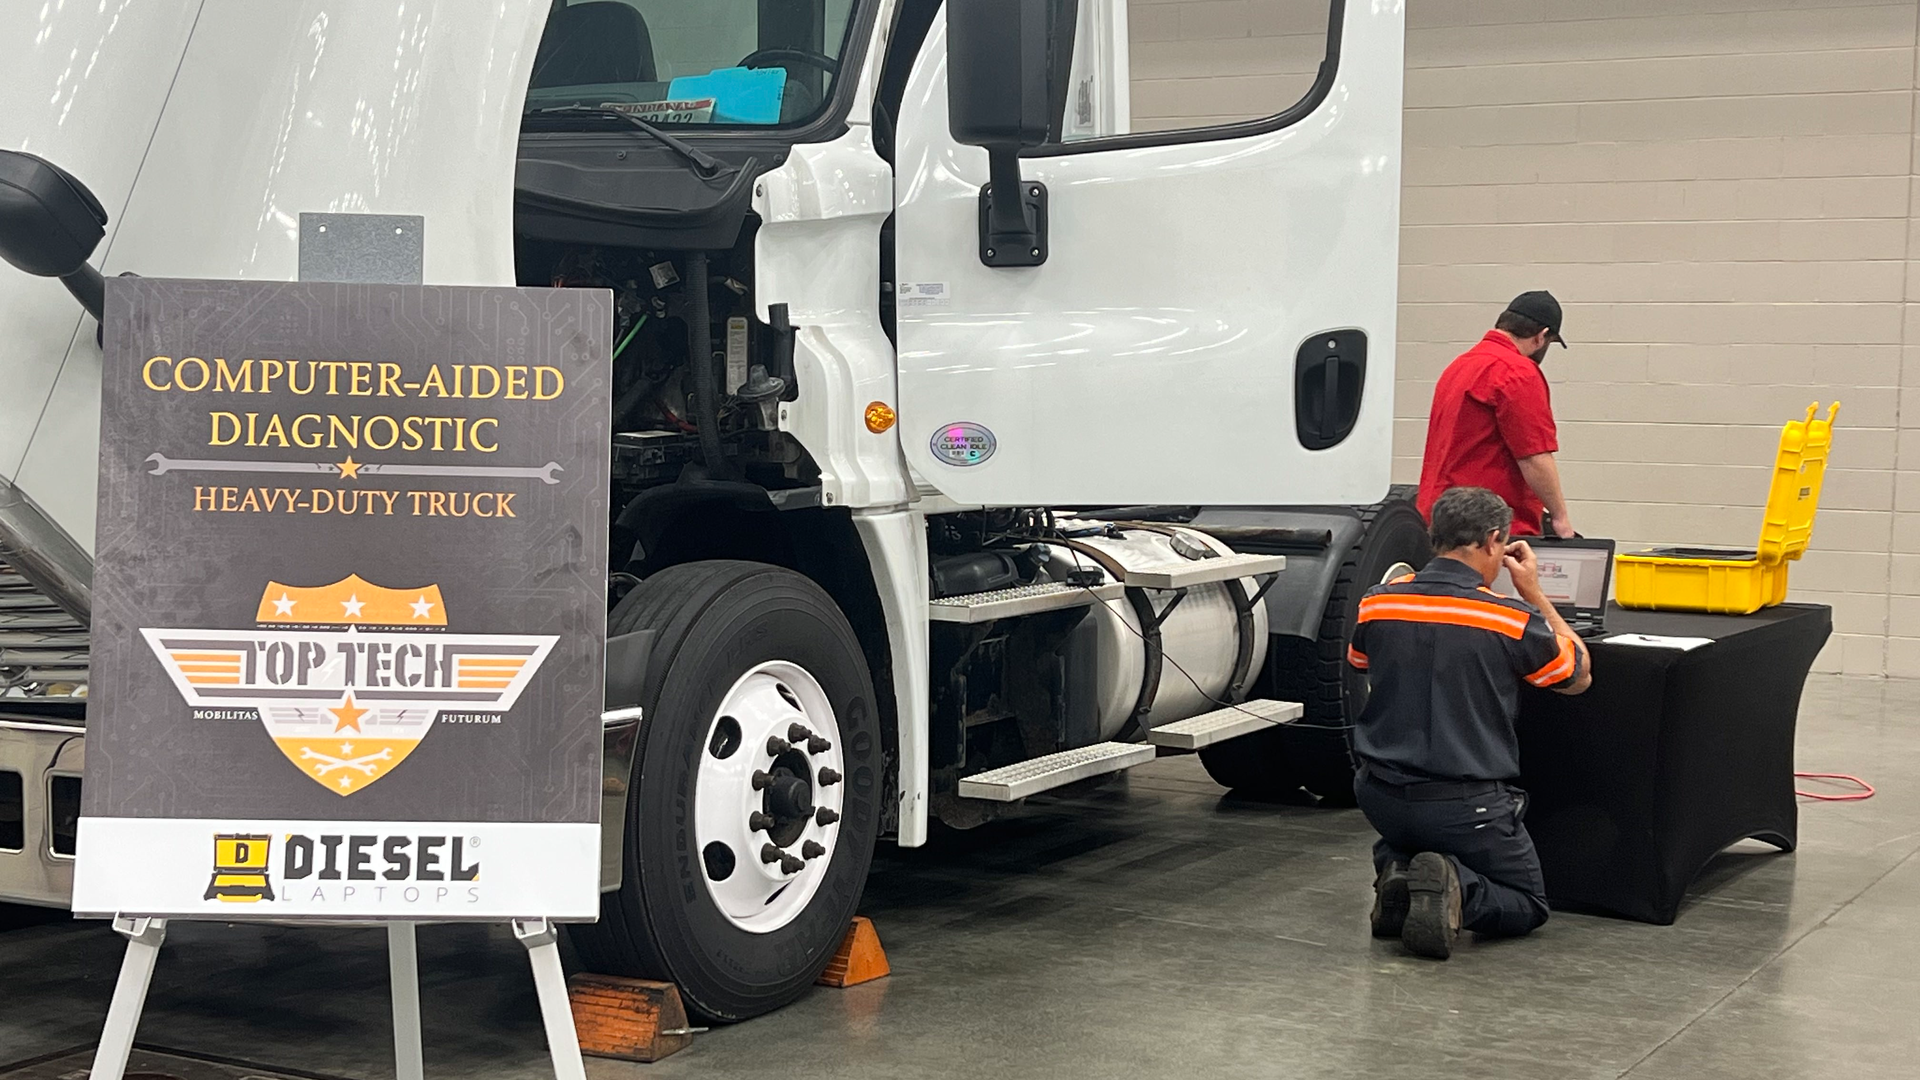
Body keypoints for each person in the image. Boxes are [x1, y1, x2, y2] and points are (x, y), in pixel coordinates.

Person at [1346, 486, 1592, 960]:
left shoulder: (1378, 602)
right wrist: (1533, 592)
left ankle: (1399, 870)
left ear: (1433, 534)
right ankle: (1457, 884)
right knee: (1527, 904)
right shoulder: (1508, 619)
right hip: (1464, 807)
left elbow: (1360, 662)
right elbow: (1578, 676)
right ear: (1494, 540)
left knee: (1412, 832)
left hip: (1380, 796)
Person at [1417, 291, 1576, 538]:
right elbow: (1534, 457)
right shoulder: (1517, 371)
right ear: (1541, 336)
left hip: (1438, 519)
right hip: (1487, 529)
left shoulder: (1460, 366)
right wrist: (1560, 518)